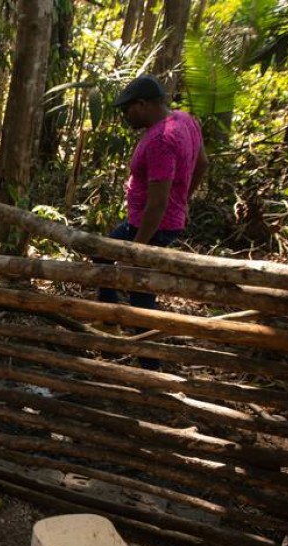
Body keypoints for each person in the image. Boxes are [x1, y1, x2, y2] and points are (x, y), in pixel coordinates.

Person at [96, 74, 209, 366]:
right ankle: (110, 323)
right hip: (156, 219)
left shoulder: (162, 139)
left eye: (128, 110)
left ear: (143, 105)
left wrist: (137, 250)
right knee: (103, 252)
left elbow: (157, 204)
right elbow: (203, 164)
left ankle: (149, 364)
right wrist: (182, 200)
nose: (126, 117)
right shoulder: (185, 120)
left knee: (138, 287)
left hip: (151, 225)